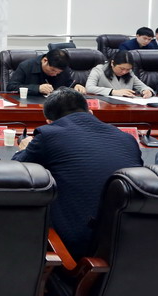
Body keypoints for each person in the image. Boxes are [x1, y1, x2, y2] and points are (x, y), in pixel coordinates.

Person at [11, 88, 143, 257]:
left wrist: (25, 148)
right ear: (91, 112)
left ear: (49, 121)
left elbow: (17, 173)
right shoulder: (127, 139)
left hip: (77, 244)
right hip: (129, 241)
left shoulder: (49, 135)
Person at [5, 49, 86, 96]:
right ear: (45, 60)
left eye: (58, 72)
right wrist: (37, 88)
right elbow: (11, 87)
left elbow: (69, 84)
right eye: (53, 70)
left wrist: (76, 86)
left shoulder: (64, 69)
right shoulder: (26, 66)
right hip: (30, 105)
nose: (55, 74)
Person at [85, 51, 153, 98]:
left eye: (128, 69)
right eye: (121, 68)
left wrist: (147, 91)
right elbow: (89, 88)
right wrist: (113, 92)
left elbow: (143, 86)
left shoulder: (129, 72)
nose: (124, 72)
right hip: (105, 105)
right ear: (112, 63)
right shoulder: (99, 70)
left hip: (126, 106)